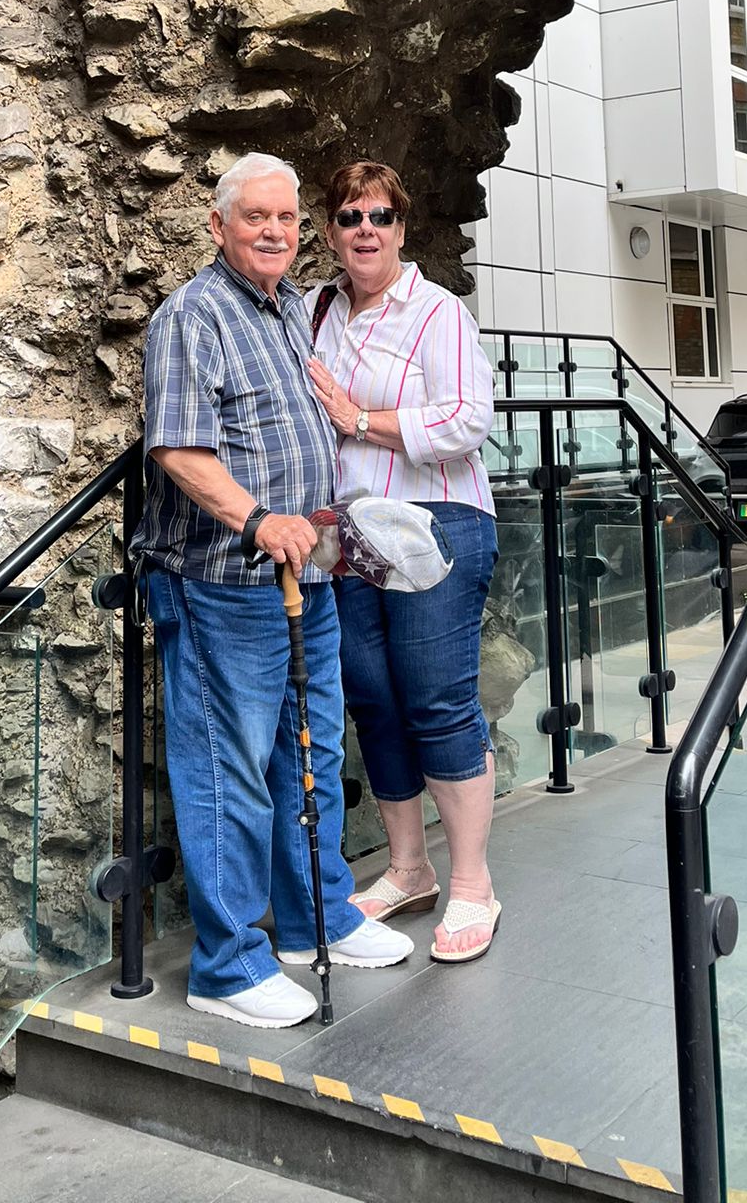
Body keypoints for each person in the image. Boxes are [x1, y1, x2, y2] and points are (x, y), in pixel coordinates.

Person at [142, 152, 413, 1029]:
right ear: (218, 224)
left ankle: (315, 920)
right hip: (223, 584)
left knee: (313, 755)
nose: (273, 231)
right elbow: (177, 448)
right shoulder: (192, 316)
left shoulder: (292, 307)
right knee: (231, 774)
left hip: (309, 576)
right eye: (255, 216)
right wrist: (258, 519)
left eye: (288, 218)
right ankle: (226, 967)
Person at [307, 160, 502, 964]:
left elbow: (466, 419)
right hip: (352, 534)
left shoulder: (436, 312)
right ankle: (410, 869)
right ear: (330, 230)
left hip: (436, 522)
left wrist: (359, 420)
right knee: (375, 701)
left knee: (436, 700)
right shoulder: (316, 310)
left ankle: (472, 885)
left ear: (401, 227)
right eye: (350, 216)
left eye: (380, 216)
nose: (366, 229)